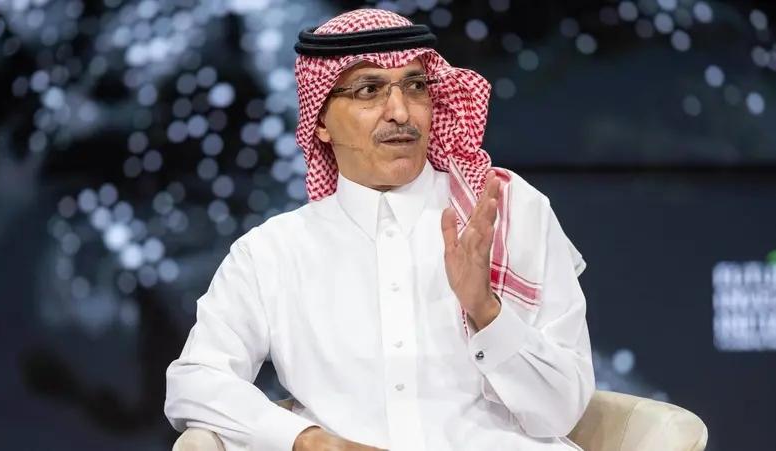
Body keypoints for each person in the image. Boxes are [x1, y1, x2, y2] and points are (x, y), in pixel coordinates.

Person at [165, 8, 594, 451]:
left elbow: (563, 410)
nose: (400, 112)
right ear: (320, 121)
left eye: (415, 86)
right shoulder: (272, 253)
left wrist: (486, 310)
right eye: (369, 90)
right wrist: (307, 441)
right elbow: (195, 380)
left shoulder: (504, 211)